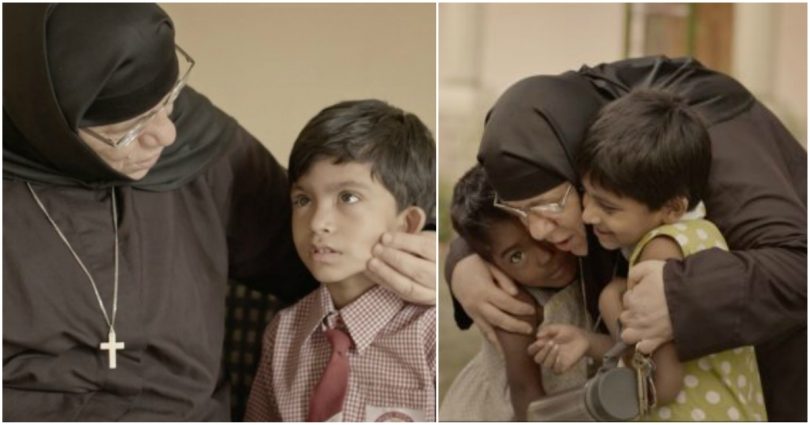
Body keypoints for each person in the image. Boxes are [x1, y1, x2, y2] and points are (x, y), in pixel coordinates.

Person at [3, 5, 436, 421]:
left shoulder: (199, 146)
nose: (167, 134)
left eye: (171, 100)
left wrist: (450, 265)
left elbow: (336, 241)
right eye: (128, 131)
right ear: (50, 126)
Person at [446, 57, 806, 421]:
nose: (538, 232)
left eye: (551, 205)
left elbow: (798, 266)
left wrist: (678, 297)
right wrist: (463, 261)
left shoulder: (705, 142)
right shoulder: (572, 123)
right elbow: (497, 194)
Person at [533, 89, 766, 421]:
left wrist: (611, 300)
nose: (588, 216)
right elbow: (653, 351)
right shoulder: (703, 233)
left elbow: (663, 384)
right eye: (587, 196)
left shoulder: (660, 250)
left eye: (609, 207)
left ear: (672, 208)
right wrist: (588, 342)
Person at [244, 100, 436, 422]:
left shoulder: (428, 333)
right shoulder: (284, 333)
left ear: (407, 224)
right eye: (303, 199)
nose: (318, 222)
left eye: (348, 197)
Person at [440, 164, 587, 421]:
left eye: (538, 235)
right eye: (517, 256)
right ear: (492, 265)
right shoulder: (517, 305)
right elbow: (524, 392)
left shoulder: (585, 254)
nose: (543, 256)